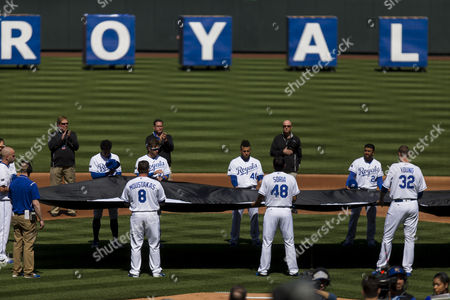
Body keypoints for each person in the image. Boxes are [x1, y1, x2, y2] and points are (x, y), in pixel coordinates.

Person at [375, 145, 427, 276]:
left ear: (399, 154)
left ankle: (381, 267)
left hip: (397, 205)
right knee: (410, 238)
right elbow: (421, 192)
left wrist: (381, 199)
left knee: (387, 237)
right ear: (409, 154)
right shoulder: (417, 169)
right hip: (413, 204)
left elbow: (385, 187)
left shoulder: (394, 167)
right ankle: (408, 269)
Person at [253, 157, 300, 277]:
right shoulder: (290, 178)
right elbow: (295, 197)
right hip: (286, 211)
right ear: (284, 166)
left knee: (267, 242)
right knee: (289, 242)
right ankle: (293, 270)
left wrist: (256, 204)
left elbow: (261, 196)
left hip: (271, 211)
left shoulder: (267, 178)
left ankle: (263, 270)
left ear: (273, 166)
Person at [121, 160, 166, 278]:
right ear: (148, 169)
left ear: (138, 170)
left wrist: (134, 203)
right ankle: (156, 271)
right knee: (154, 244)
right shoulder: (156, 183)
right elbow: (162, 201)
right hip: (152, 215)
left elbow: (125, 202)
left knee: (136, 245)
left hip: (136, 215)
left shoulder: (130, 183)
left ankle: (135, 272)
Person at [342, 144, 383, 247]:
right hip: (358, 192)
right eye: (365, 150)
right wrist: (348, 184)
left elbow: (379, 180)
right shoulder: (357, 162)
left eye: (369, 151)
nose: (366, 153)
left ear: (373, 152)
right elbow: (351, 176)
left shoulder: (377, 164)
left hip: (372, 193)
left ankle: (370, 240)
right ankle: (349, 239)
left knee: (371, 218)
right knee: (354, 216)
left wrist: (382, 190)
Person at [9, 161, 44, 278]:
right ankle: (28, 272)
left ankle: (16, 271)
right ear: (29, 172)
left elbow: (11, 200)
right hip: (28, 214)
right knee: (29, 244)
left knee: (17, 243)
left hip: (15, 215)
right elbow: (35, 204)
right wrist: (41, 219)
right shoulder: (31, 184)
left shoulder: (13, 183)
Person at [227, 140, 264, 247]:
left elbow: (260, 178)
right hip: (239, 192)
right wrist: (236, 187)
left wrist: (263, 185)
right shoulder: (234, 162)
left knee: (254, 216)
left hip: (252, 191)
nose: (246, 153)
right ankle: (234, 239)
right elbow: (233, 178)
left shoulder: (256, 162)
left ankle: (255, 239)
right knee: (236, 216)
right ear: (241, 150)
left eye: (248, 151)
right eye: (244, 151)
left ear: (250, 150)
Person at [89, 140, 122, 248]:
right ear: (101, 149)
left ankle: (115, 240)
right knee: (97, 216)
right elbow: (94, 175)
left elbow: (120, 174)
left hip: (112, 191)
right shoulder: (95, 159)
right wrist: (107, 173)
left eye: (108, 151)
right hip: (99, 191)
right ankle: (95, 240)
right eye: (105, 151)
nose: (106, 153)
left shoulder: (115, 157)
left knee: (113, 217)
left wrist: (113, 173)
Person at [48, 116, 79, 216]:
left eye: (67, 124)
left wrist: (69, 138)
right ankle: (55, 210)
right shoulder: (53, 134)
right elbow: (51, 147)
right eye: (63, 124)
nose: (65, 125)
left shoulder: (72, 134)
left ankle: (71, 209)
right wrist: (61, 139)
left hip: (69, 165)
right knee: (55, 188)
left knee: (70, 187)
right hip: (56, 165)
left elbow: (76, 147)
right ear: (58, 125)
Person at [0, 146, 17, 264]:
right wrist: (13, 188)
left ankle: (2, 252)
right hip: (3, 202)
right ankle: (1, 255)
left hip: (4, 202)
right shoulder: (3, 169)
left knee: (3, 228)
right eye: (13, 155)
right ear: (7, 157)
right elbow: (1, 188)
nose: (14, 157)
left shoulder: (4, 167)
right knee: (3, 229)